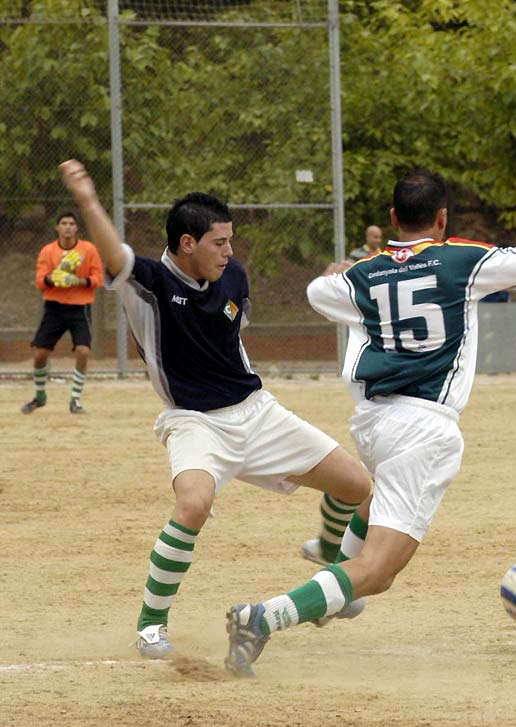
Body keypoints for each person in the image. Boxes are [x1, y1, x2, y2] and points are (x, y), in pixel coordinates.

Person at [224, 168, 516, 677]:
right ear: (443, 218)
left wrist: (340, 271)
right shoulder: (462, 260)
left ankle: (337, 579)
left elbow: (320, 291)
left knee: (373, 502)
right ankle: (264, 618)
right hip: (423, 427)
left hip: (374, 421)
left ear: (391, 218)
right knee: (378, 572)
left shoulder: (364, 273)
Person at [58, 158, 371, 658]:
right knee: (193, 504)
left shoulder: (233, 278)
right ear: (188, 244)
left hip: (255, 409)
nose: (230, 251)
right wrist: (88, 201)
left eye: (231, 241)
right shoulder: (151, 283)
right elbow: (116, 255)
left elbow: (231, 341)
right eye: (219, 242)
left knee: (356, 485)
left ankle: (332, 561)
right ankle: (150, 626)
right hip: (194, 421)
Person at [21, 211, 104, 414]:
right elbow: (41, 281)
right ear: (57, 228)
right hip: (54, 307)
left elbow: (98, 279)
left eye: (71, 223)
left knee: (83, 351)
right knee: (40, 354)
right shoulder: (48, 251)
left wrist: (78, 281)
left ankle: (75, 400)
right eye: (64, 223)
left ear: (76, 228)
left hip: (80, 307)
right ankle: (40, 396)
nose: (67, 227)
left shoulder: (88, 249)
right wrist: (56, 276)